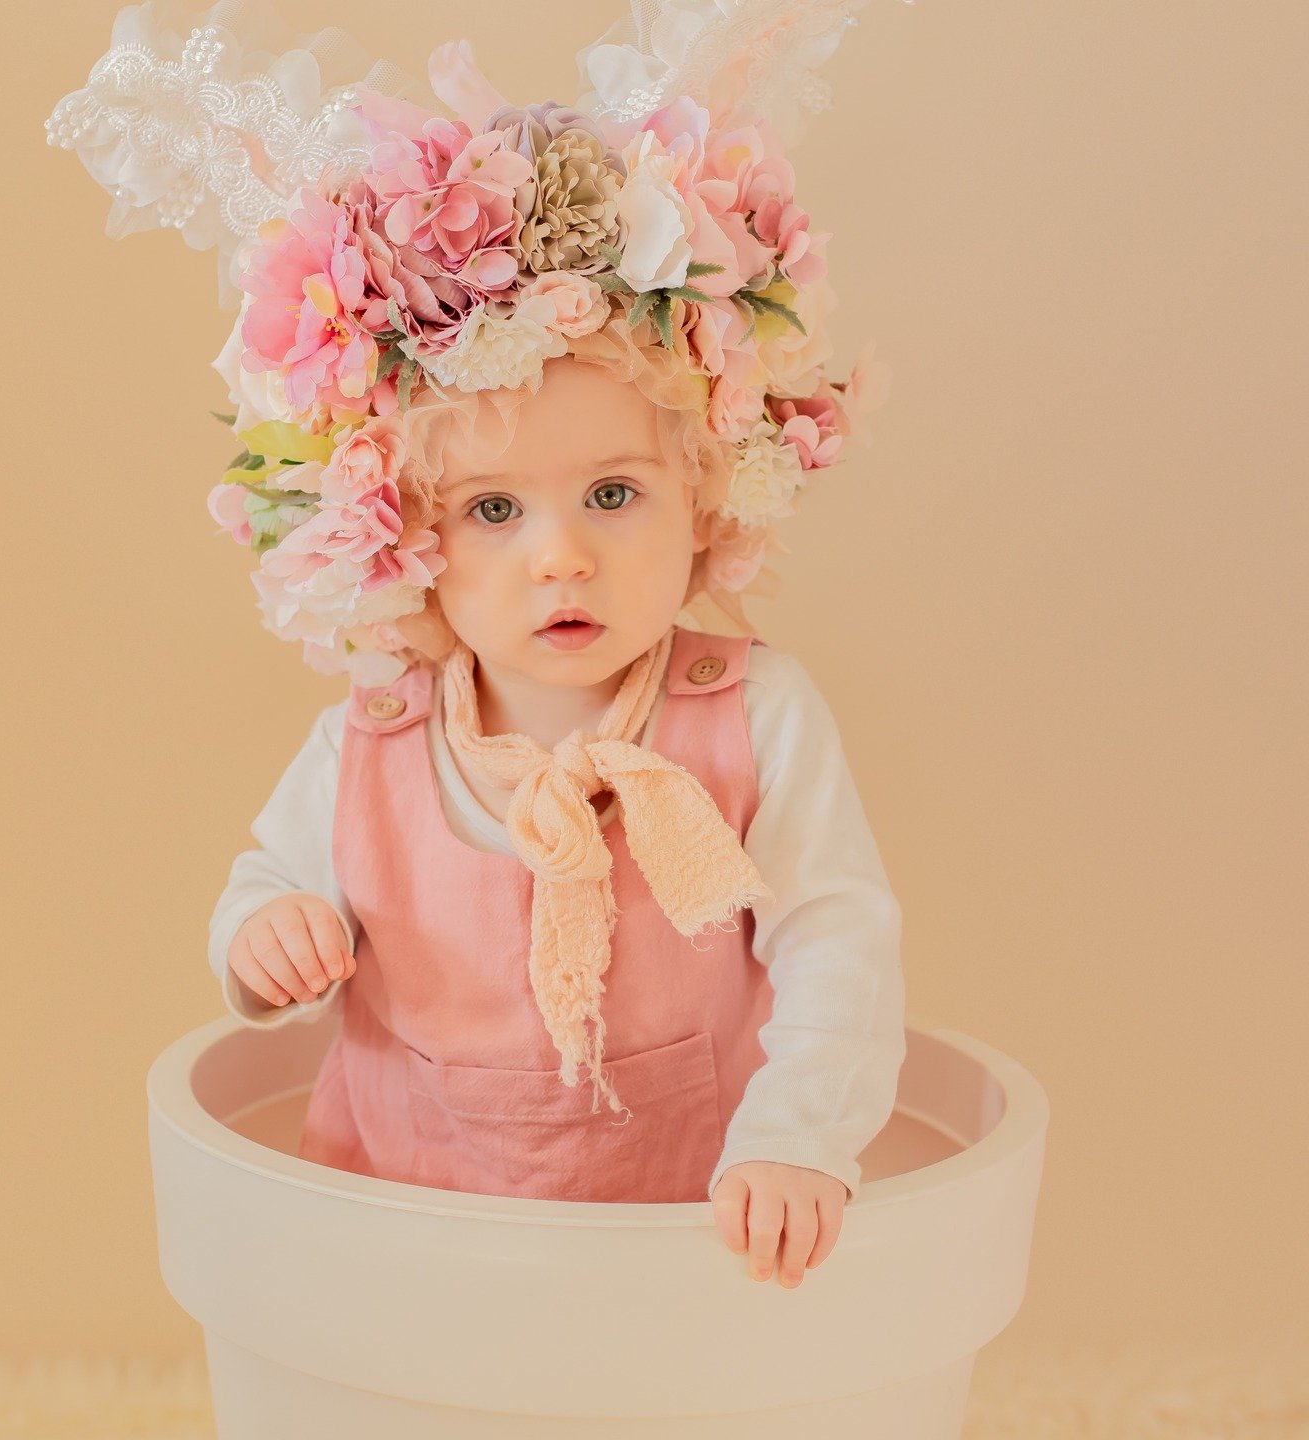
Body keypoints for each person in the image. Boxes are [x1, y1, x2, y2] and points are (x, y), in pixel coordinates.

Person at [47, 0, 909, 1290]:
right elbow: (267, 879)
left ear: (707, 496)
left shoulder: (752, 715)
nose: (559, 557)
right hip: (405, 1238)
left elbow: (837, 939)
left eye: (614, 496)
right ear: (403, 537)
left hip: (683, 1237)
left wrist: (799, 1141)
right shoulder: (375, 739)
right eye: (494, 512)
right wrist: (267, 931)